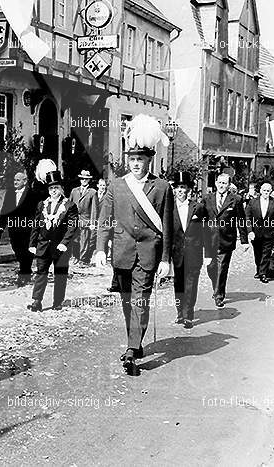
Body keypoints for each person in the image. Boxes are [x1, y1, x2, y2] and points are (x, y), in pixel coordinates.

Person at [95, 114, 173, 376]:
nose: (136, 164)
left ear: (149, 160)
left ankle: (131, 350)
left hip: (148, 254)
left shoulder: (162, 187)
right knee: (127, 301)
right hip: (122, 253)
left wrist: (165, 259)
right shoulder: (117, 185)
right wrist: (99, 249)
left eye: (140, 159)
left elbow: (168, 225)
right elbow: (105, 220)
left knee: (140, 300)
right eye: (132, 159)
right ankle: (136, 342)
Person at [27, 159, 78, 312]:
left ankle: (58, 301)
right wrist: (32, 244)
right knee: (40, 273)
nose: (53, 191)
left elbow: (72, 226)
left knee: (60, 274)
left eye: (56, 187)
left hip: (60, 246)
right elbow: (36, 225)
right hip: (43, 245)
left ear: (61, 188)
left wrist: (64, 242)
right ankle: (37, 301)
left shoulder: (69, 206)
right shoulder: (42, 205)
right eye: (51, 188)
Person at [170, 172, 211, 329]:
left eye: (184, 187)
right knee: (178, 284)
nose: (181, 190)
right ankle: (180, 312)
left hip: (194, 253)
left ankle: (188, 315)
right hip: (177, 253)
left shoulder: (198, 208)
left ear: (189, 190)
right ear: (175, 190)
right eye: (178, 187)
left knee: (191, 284)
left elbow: (206, 231)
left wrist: (208, 253)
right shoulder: (169, 208)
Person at [201, 173, 248, 308]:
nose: (221, 185)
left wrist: (244, 241)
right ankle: (216, 287)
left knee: (222, 268)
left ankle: (219, 294)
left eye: (224, 183)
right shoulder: (206, 198)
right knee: (211, 268)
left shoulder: (236, 200)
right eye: (220, 183)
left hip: (226, 240)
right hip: (209, 240)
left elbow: (241, 221)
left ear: (228, 185)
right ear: (216, 183)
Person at [0, 172, 40, 286]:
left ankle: (24, 274)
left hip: (27, 228)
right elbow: (5, 209)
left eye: (18, 180)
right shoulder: (10, 193)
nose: (15, 182)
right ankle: (25, 271)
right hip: (13, 228)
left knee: (26, 251)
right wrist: (1, 225)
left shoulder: (32, 194)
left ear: (25, 181)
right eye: (14, 180)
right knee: (17, 250)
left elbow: (36, 212)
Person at [245, 182, 274, 283]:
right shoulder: (252, 202)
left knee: (266, 253)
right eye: (264, 190)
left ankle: (263, 273)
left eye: (268, 191)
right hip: (256, 233)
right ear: (260, 191)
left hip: (269, 233)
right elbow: (247, 217)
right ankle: (259, 270)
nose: (266, 192)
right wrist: (250, 231)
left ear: (270, 191)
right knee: (257, 253)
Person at [70, 169, 98, 266]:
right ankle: (76, 257)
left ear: (89, 180)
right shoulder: (74, 191)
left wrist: (92, 223)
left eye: (86, 179)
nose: (84, 181)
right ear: (80, 180)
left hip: (86, 220)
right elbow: (69, 206)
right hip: (74, 220)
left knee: (84, 240)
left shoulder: (92, 192)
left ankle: (83, 259)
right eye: (82, 179)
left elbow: (94, 209)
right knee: (74, 240)